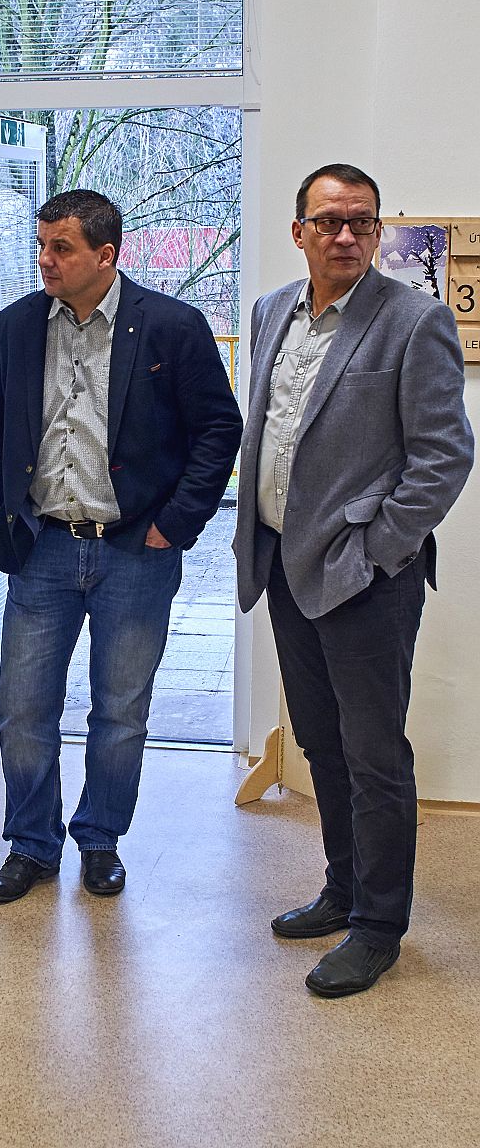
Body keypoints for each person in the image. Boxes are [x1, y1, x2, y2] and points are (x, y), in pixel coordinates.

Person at [234, 164, 473, 996]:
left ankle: (378, 927)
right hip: (283, 563)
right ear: (298, 231)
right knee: (320, 744)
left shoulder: (415, 320)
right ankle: (341, 890)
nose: (346, 236)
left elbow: (444, 456)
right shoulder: (271, 311)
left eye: (362, 222)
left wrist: (379, 548)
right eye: (330, 221)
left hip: (364, 577)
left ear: (376, 232)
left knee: (375, 757)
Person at [0, 189, 242, 903]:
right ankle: (31, 845)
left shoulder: (172, 326)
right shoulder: (16, 326)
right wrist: (11, 502)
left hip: (136, 550)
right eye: (41, 245)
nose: (45, 260)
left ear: (106, 254)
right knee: (24, 708)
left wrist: (175, 523)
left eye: (60, 247)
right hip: (44, 547)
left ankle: (100, 840)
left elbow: (219, 429)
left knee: (120, 709)